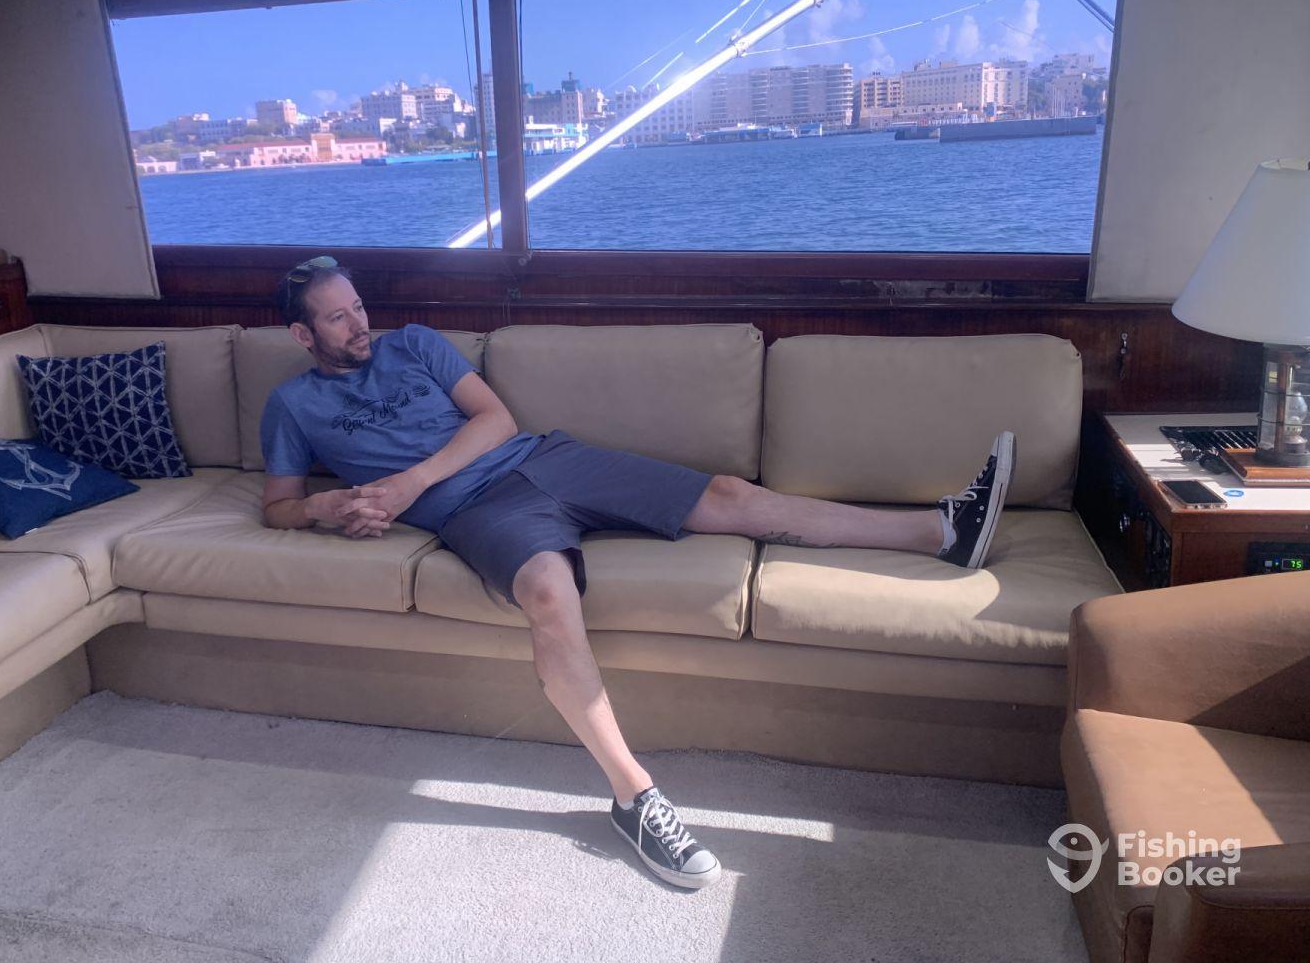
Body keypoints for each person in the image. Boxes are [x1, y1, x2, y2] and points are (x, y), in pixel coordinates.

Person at [259, 256, 1016, 891]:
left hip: (540, 460)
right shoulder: (291, 405)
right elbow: (278, 509)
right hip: (477, 511)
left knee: (725, 495)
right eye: (337, 317)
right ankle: (635, 798)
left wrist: (405, 485)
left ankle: (940, 531)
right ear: (302, 333)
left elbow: (495, 421)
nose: (360, 325)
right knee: (548, 594)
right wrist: (329, 507)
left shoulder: (416, 343)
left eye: (359, 307)